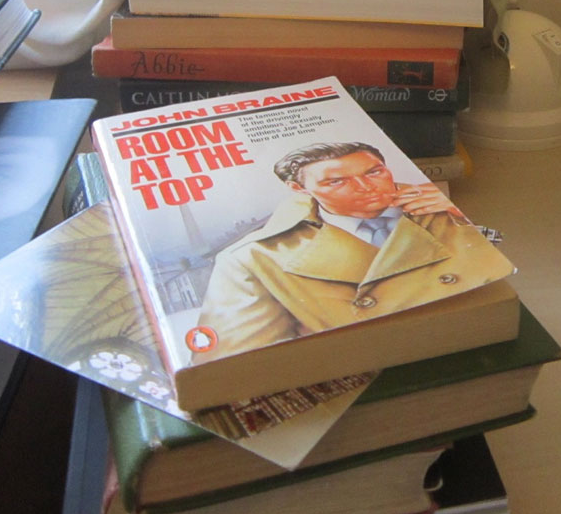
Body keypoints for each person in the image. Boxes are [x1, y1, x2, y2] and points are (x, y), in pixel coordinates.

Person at [193, 141, 512, 362]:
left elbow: (489, 267)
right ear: (300, 189)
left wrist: (458, 218)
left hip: (480, 340)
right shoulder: (255, 258)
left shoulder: (438, 208)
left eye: (374, 172)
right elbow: (243, 363)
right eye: (336, 182)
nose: (365, 187)